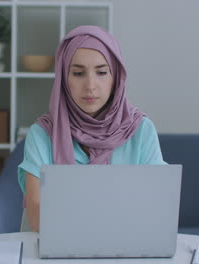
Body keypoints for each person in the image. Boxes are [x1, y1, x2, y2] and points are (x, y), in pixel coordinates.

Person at [17, 25, 166, 232]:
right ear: (63, 78)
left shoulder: (140, 129)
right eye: (78, 73)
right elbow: (37, 215)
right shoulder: (42, 134)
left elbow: (156, 208)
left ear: (116, 78)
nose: (90, 85)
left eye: (102, 72)